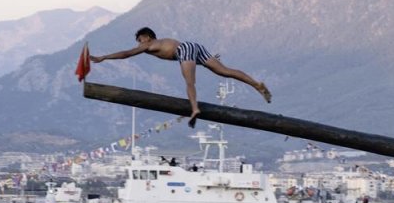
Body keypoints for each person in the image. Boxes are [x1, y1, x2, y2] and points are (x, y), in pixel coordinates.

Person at [90, 27, 272, 128]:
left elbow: (126, 54)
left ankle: (194, 109)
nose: (138, 44)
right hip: (193, 46)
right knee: (225, 71)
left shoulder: (149, 44)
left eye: (139, 40)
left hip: (184, 50)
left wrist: (103, 57)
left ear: (146, 37)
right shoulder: (160, 42)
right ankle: (257, 85)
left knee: (189, 81)